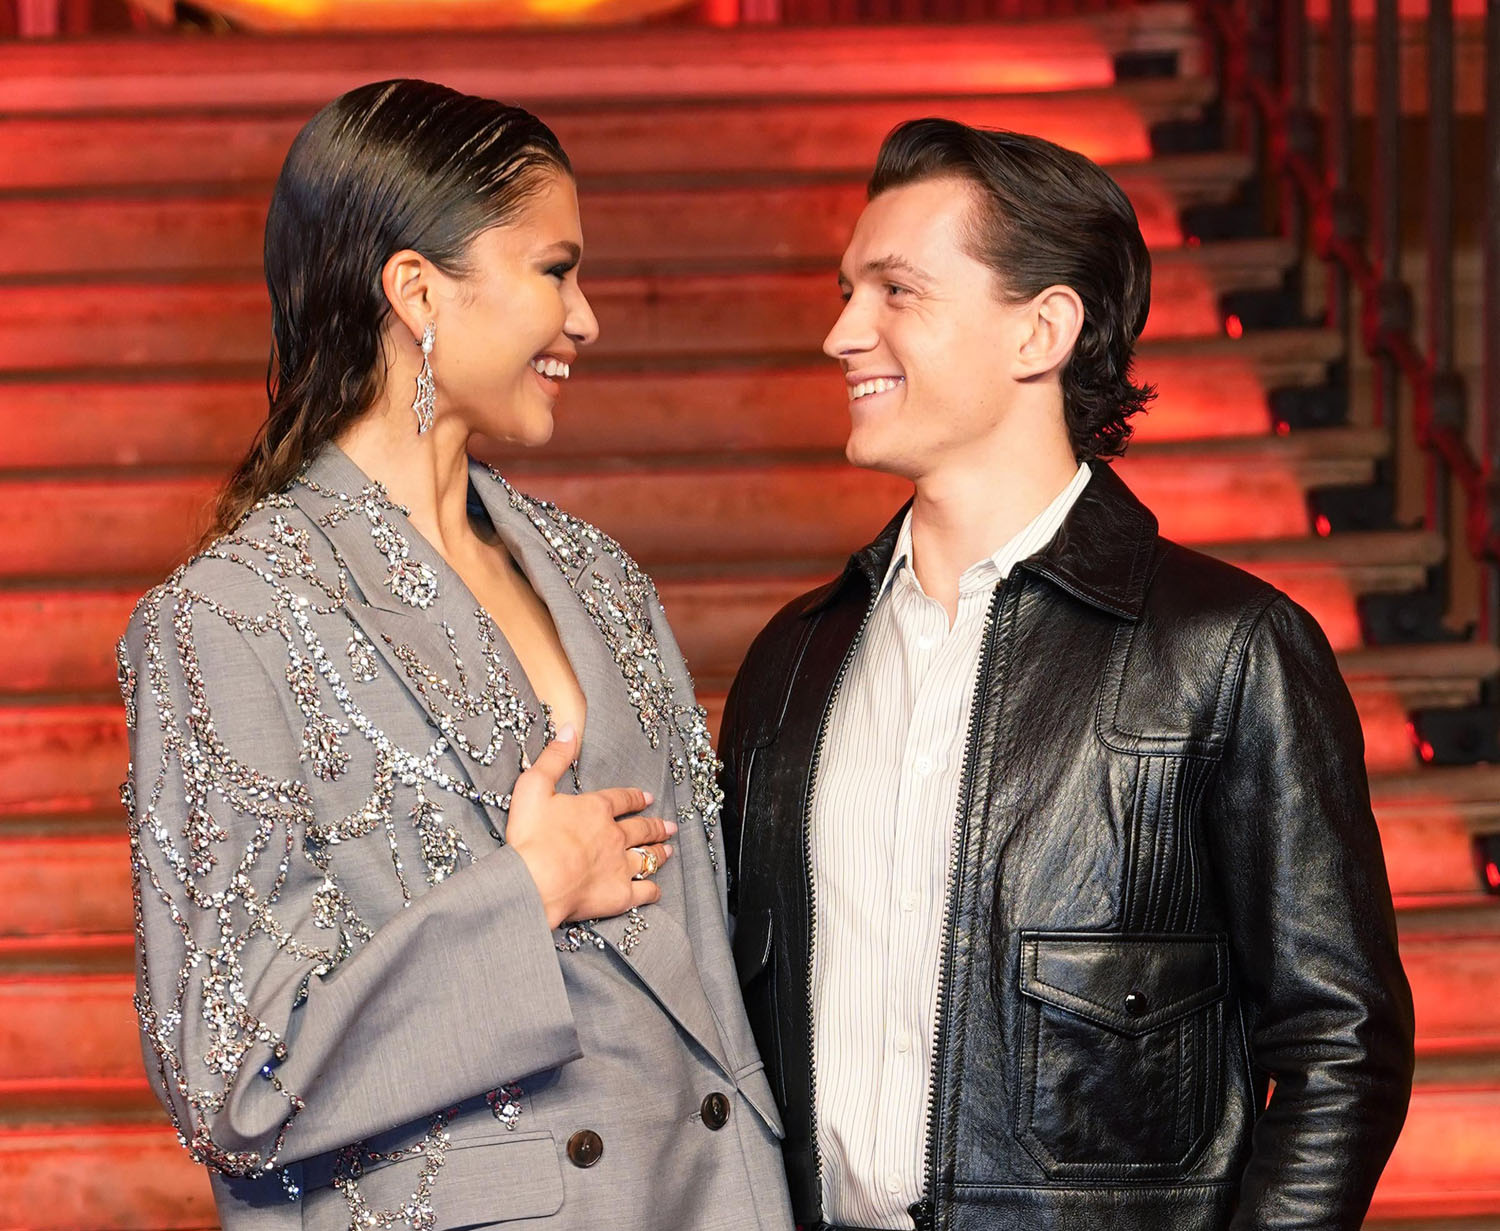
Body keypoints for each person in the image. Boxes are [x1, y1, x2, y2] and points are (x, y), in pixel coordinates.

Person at [118, 79, 794, 1231]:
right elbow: (232, 1072)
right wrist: (526, 895)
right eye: (554, 270)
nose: (586, 318)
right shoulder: (228, 618)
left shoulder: (599, 575)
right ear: (417, 289)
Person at [717, 117, 1415, 1231]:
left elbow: (1342, 1044)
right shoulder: (794, 662)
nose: (843, 333)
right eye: (848, 292)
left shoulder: (1227, 647)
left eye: (897, 291)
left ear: (1041, 329)